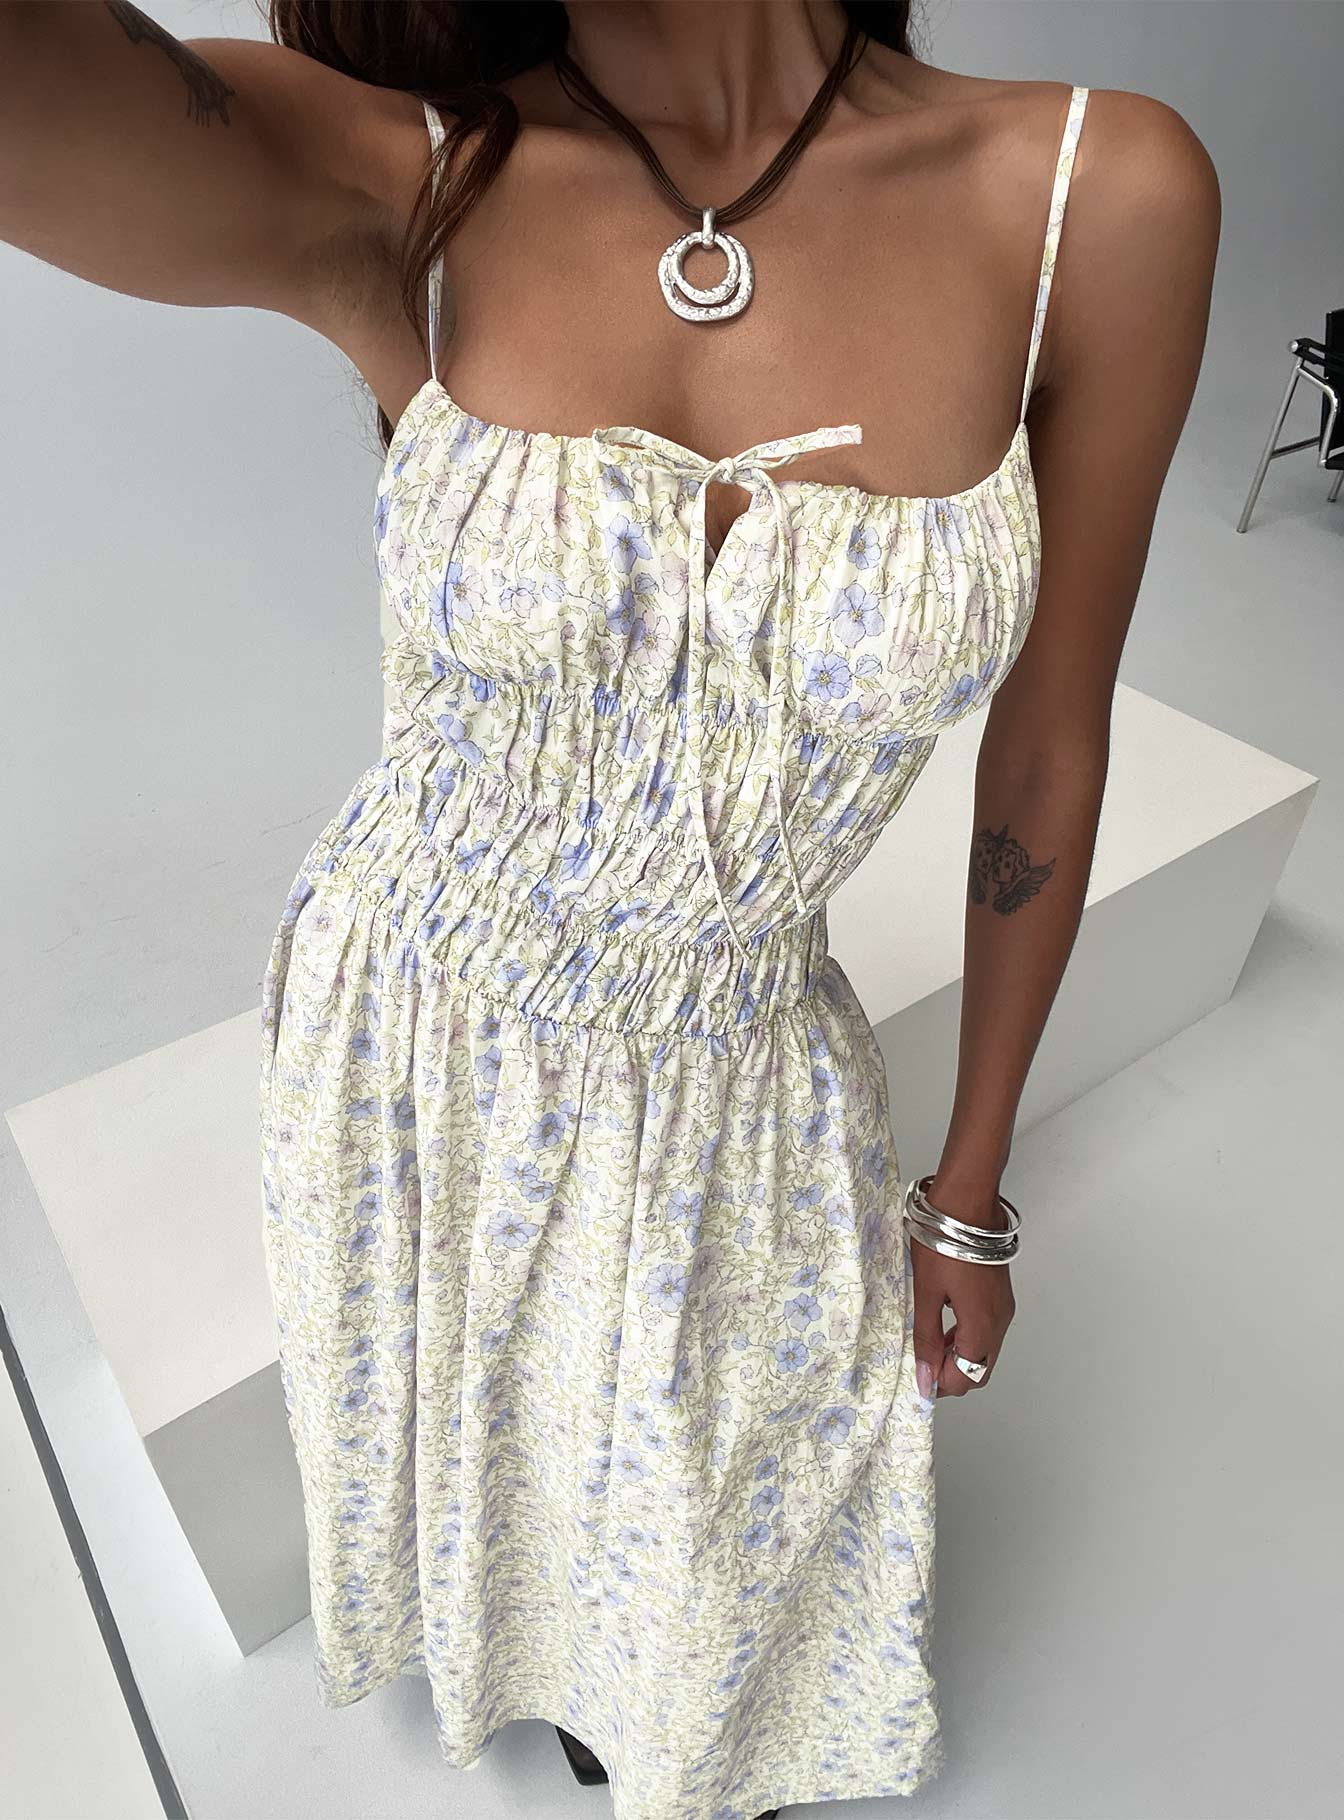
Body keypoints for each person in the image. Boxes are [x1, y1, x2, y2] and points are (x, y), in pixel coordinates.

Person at [1, 3, 1219, 1816]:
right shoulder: (407, 163)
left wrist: (970, 1191)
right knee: (499, 1468)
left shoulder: (1091, 194)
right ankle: (558, 1686)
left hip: (740, 1063)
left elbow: (1048, 745)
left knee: (710, 1533)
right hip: (418, 1027)